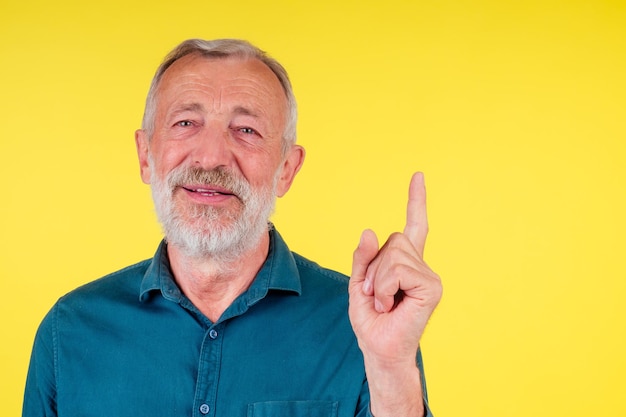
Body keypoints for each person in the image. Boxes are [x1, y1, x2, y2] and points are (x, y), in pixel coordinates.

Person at [23, 38, 442, 417]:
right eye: (186, 123)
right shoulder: (70, 331)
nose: (211, 158)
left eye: (246, 130)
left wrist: (391, 369)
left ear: (286, 169)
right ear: (145, 155)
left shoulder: (362, 327)